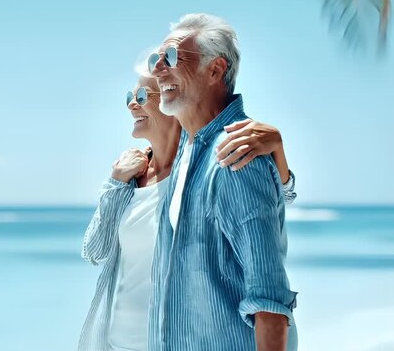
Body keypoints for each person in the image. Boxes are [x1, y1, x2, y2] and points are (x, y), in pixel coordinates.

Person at [78, 69, 297, 350]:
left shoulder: (202, 168)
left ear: (173, 101)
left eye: (142, 96)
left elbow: (269, 203)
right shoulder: (130, 176)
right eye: (129, 97)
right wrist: (114, 183)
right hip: (116, 343)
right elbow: (94, 251)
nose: (132, 104)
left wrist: (277, 149)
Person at [147, 13, 298, 350]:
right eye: (155, 59)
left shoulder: (237, 155)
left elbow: (269, 302)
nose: (158, 70)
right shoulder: (188, 150)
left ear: (215, 70)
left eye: (171, 58)